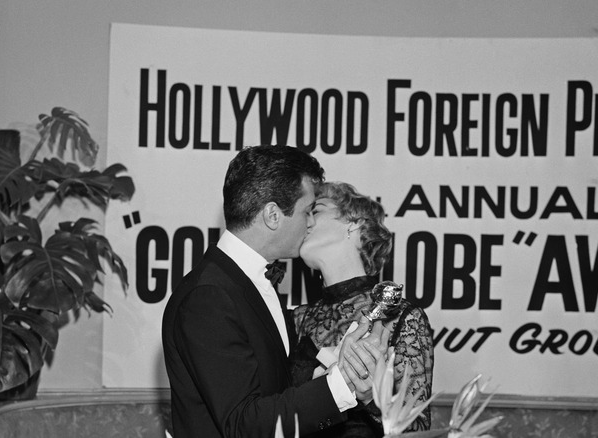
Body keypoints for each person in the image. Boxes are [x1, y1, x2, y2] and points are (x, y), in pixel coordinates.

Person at [162, 146, 382, 438]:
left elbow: (272, 394)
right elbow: (243, 424)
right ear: (273, 216)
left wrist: (327, 373)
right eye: (307, 211)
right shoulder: (209, 297)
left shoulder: (247, 283)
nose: (311, 222)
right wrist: (341, 385)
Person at [291, 181, 435, 437]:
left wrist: (372, 400)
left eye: (316, 210)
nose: (306, 221)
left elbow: (418, 428)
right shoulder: (298, 318)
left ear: (354, 223)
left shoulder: (400, 316)